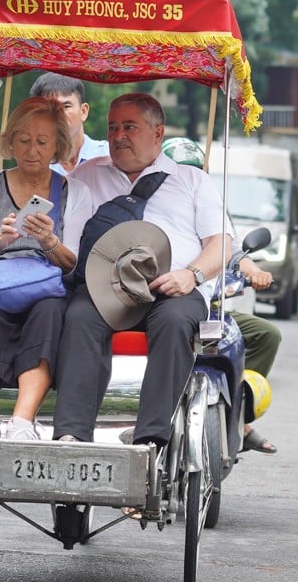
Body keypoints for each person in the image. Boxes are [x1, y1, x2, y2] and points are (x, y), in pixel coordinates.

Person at [52, 93, 231, 447]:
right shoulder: (85, 177)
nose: (119, 135)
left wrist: (191, 275)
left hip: (171, 289)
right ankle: (71, 437)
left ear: (158, 132)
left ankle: (150, 440)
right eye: (113, 127)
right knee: (78, 317)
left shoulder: (192, 181)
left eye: (130, 127)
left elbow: (222, 243)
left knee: (176, 322)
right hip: (105, 289)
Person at [0, 96, 94, 442]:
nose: (32, 151)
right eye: (24, 141)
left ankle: (22, 422)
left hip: (46, 288)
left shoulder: (75, 192)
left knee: (51, 314)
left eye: (42, 143)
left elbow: (74, 264)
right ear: (10, 143)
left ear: (58, 146)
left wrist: (49, 242)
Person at [161, 136, 279, 454]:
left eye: (194, 170)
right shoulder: (154, 206)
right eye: (178, 170)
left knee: (265, 335)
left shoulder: (210, 202)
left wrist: (254, 271)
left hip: (209, 305)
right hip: (163, 302)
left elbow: (234, 251)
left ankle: (239, 414)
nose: (187, 177)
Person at [28, 72, 110, 173]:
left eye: (66, 106)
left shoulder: (110, 156)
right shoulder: (32, 164)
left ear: (83, 111)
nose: (59, 114)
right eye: (49, 108)